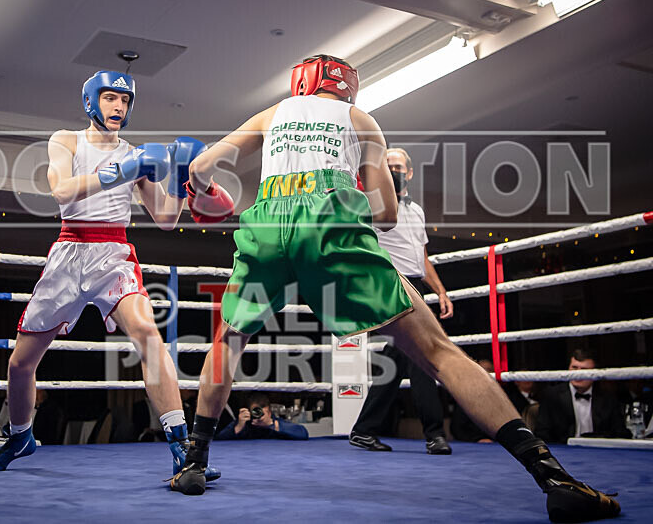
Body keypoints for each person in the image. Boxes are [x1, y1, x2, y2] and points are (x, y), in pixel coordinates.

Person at [170, 54, 620, 522]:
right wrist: (337, 202)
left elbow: (201, 167)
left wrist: (206, 196)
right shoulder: (361, 119)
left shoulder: (272, 113)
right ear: (348, 87)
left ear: (301, 82)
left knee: (229, 341)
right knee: (439, 352)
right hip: (329, 219)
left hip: (266, 219)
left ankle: (195, 463)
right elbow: (386, 214)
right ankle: (554, 478)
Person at [0, 70, 220, 482]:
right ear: (92, 100)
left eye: (125, 102)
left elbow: (164, 219)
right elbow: (61, 190)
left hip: (114, 254)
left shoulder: (136, 153)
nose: (119, 108)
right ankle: (20, 436)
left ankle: (182, 447)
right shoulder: (66, 140)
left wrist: (180, 181)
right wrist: (120, 172)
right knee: (21, 364)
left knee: (148, 333)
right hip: (70, 252)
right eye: (111, 99)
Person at [349, 147, 452, 455]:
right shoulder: (373, 204)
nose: (392, 171)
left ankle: (363, 430)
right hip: (389, 283)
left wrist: (441, 290)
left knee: (400, 356)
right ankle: (435, 433)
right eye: (387, 166)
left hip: (414, 285)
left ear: (409, 172)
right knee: (422, 353)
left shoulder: (417, 210)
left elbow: (421, 256)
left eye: (397, 167)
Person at [535, 349, 630, 444]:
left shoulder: (608, 397)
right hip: (564, 452)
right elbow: (542, 434)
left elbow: (620, 433)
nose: (578, 373)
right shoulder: (552, 395)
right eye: (574, 368)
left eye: (584, 370)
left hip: (600, 452)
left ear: (595, 373)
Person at [216, 392, 308, 440]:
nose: (259, 414)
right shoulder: (245, 424)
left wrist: (271, 424)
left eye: (262, 409)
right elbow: (219, 439)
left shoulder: (277, 423)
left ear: (269, 411)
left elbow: (303, 433)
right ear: (249, 411)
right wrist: (238, 427)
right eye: (255, 410)